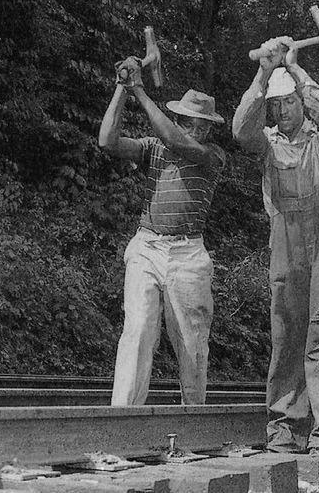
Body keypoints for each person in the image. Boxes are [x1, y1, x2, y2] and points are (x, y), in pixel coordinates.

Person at [233, 37, 319, 457]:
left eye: (289, 103)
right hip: (285, 240)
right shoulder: (267, 141)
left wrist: (296, 69)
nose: (282, 111)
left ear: (301, 102)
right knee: (286, 332)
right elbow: (239, 130)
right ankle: (285, 427)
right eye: (276, 105)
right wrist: (264, 71)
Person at [99, 56, 227, 406]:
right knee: (137, 330)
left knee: (191, 342)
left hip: (189, 254)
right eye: (191, 124)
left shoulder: (211, 155)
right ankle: (123, 418)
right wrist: (121, 88)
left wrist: (139, 90)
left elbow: (179, 143)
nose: (197, 132)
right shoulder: (153, 147)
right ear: (178, 119)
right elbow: (107, 142)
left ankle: (192, 417)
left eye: (203, 126)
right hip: (146, 246)